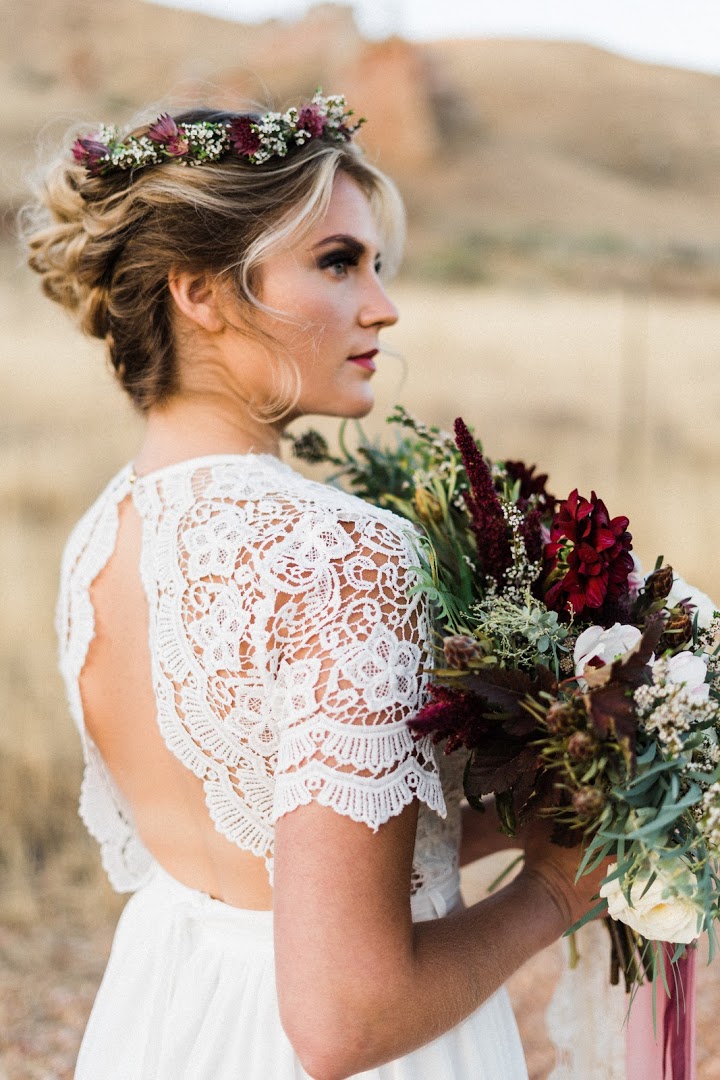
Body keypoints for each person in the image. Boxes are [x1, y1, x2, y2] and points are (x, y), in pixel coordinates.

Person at [24, 93, 605, 1079]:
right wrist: (554, 886)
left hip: (173, 1021)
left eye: (376, 265)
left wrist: (535, 797)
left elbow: (271, 837)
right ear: (201, 293)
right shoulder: (342, 555)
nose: (382, 305)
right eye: (338, 263)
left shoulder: (103, 537)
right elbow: (345, 1024)